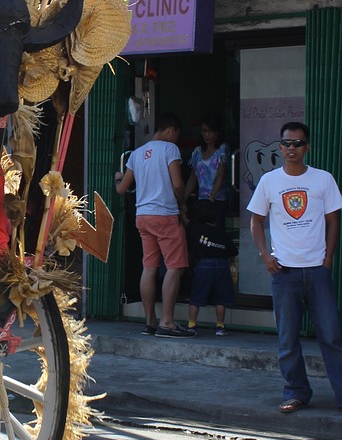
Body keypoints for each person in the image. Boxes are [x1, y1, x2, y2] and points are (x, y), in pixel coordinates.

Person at [248, 121, 342, 414]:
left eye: (297, 143)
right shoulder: (269, 182)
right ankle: (296, 392)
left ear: (307, 147)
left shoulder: (323, 179)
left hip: (317, 270)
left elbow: (333, 221)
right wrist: (265, 256)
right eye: (286, 143)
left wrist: (327, 260)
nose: (291, 149)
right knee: (288, 339)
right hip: (284, 272)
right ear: (279, 147)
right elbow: (256, 221)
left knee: (331, 335)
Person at [115, 111, 195, 337]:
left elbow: (122, 189)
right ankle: (167, 322)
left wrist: (117, 177)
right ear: (171, 130)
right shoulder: (170, 149)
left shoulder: (137, 154)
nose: (176, 139)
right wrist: (182, 203)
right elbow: (178, 184)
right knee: (175, 267)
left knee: (149, 266)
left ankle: (150, 322)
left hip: (143, 216)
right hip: (165, 214)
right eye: (176, 135)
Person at [186, 197, 236, 334]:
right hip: (222, 265)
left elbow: (185, 221)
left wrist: (180, 206)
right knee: (221, 298)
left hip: (203, 265)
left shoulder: (194, 227)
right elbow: (233, 250)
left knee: (196, 296)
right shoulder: (220, 231)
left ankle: (191, 325)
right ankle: (220, 326)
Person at [185, 111, 230, 228]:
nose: (207, 135)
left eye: (211, 131)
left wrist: (212, 196)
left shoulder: (222, 149)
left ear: (218, 132)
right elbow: (193, 178)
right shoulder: (197, 152)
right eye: (204, 131)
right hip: (201, 201)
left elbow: (221, 174)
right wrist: (182, 198)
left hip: (217, 200)